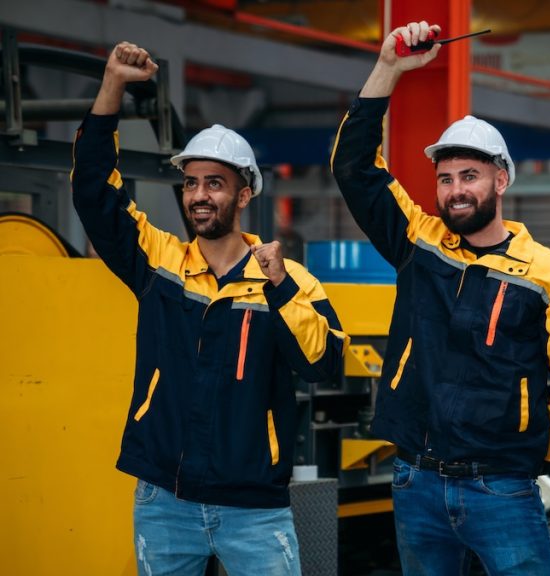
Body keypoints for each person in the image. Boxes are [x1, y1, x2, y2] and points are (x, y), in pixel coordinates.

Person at [330, 20, 550, 576]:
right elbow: (354, 169)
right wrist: (389, 67)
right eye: (447, 177)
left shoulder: (549, 275)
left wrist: (525, 452)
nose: (456, 190)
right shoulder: (417, 242)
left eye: (470, 176)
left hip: (502, 490)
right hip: (416, 481)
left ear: (500, 181)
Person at [72, 42, 348, 576]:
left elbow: (323, 364)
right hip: (164, 502)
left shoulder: (288, 280)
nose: (199, 195)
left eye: (215, 184)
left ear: (244, 196)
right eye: (192, 182)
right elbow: (93, 194)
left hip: (254, 511)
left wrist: (281, 286)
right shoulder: (160, 262)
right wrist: (112, 85)